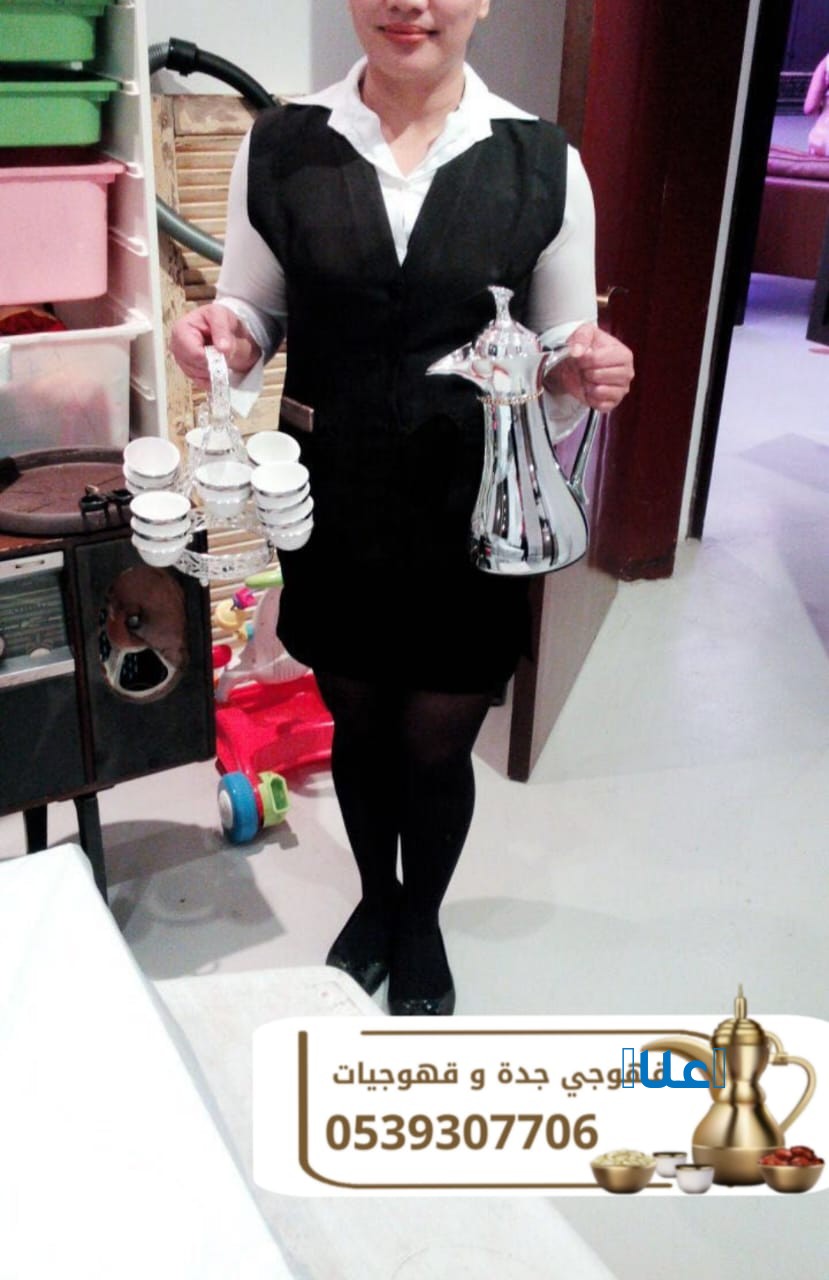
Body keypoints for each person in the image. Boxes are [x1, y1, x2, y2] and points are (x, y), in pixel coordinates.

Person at [171, 0, 634, 1016]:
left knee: (435, 737)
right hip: (335, 492)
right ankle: (374, 899)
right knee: (358, 715)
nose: (408, 2)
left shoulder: (542, 162)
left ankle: (418, 915)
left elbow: (561, 343)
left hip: (473, 505)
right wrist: (223, 335)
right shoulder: (283, 145)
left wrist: (582, 368)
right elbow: (254, 309)